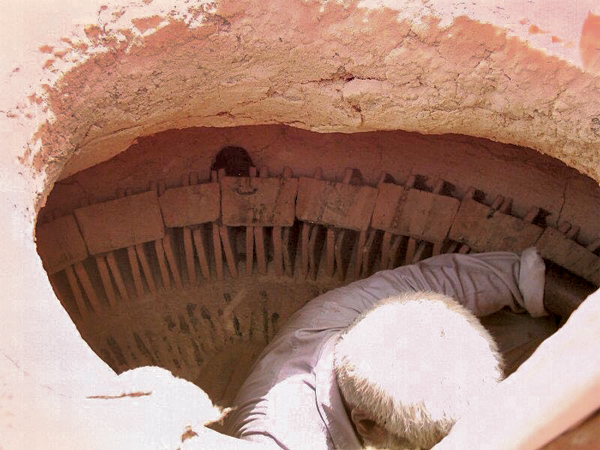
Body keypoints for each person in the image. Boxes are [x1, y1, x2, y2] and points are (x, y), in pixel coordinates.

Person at [225, 248, 589, 449]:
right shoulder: (282, 437)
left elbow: (517, 276)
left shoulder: (375, 304)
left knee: (536, 329)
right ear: (367, 425)